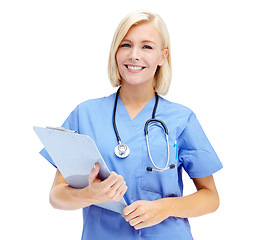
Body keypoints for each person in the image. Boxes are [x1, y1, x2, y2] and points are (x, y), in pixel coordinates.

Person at [40, 11, 223, 240]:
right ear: (115, 52)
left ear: (162, 56)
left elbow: (210, 197)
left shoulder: (182, 118)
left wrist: (164, 208)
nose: (134, 55)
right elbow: (56, 196)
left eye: (147, 47)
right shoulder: (85, 114)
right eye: (126, 45)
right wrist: (90, 194)